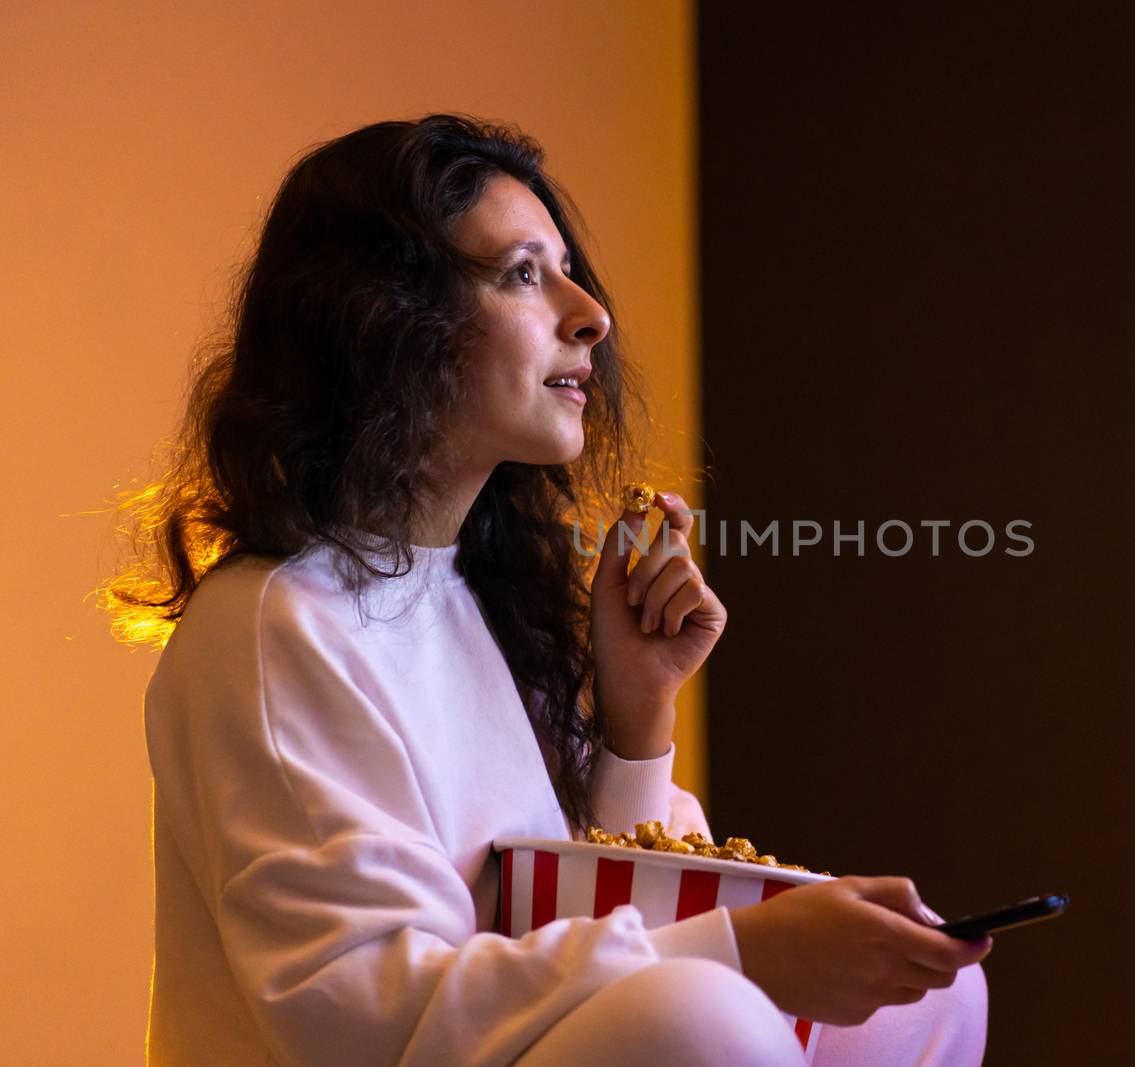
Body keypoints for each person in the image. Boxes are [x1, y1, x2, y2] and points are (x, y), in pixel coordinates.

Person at [107, 114, 990, 1066]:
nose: (590, 314)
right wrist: (738, 951)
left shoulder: (479, 593)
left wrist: (634, 715)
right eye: (524, 272)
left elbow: (565, 908)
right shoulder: (274, 623)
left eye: (565, 268)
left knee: (925, 995)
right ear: (383, 317)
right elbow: (358, 1017)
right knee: (701, 1015)